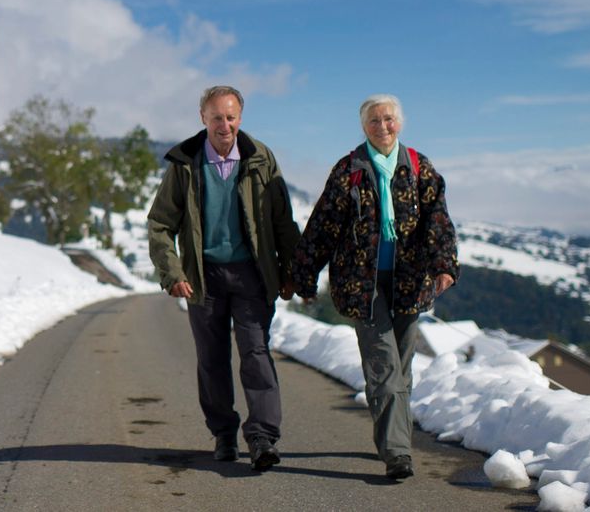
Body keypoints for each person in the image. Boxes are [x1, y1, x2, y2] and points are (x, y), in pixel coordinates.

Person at [291, 94, 458, 481]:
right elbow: (324, 225)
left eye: (388, 120)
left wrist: (444, 264)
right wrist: (304, 273)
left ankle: (391, 434)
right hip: (361, 284)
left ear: (399, 123)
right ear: (363, 127)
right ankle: (398, 452)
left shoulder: (418, 167)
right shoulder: (349, 169)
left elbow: (438, 219)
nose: (382, 127)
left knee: (401, 367)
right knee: (383, 367)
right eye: (373, 121)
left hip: (409, 282)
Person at [147, 85, 301, 471]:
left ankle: (263, 437)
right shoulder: (185, 163)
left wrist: (291, 273)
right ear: (203, 118)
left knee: (256, 353)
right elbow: (160, 224)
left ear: (240, 118)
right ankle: (223, 435)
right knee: (212, 360)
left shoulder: (261, 158)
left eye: (230, 117)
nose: (224, 124)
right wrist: (173, 273)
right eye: (216, 117)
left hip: (252, 274)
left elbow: (283, 222)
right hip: (203, 277)